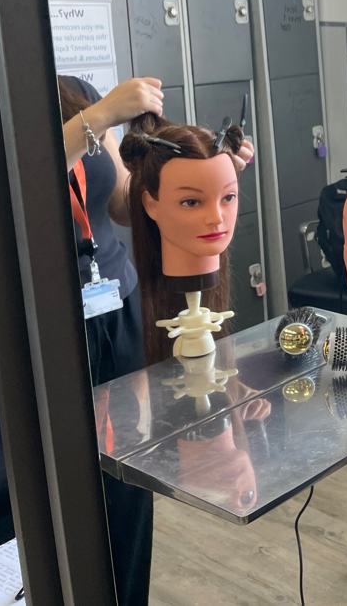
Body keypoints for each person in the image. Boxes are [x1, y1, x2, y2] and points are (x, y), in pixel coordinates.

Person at [58, 75, 252, 606]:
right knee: (73, 471)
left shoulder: (75, 89)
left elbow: (123, 202)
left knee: (127, 464)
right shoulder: (25, 110)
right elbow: (22, 183)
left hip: (116, 303)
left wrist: (206, 182)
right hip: (54, 321)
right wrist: (100, 117)